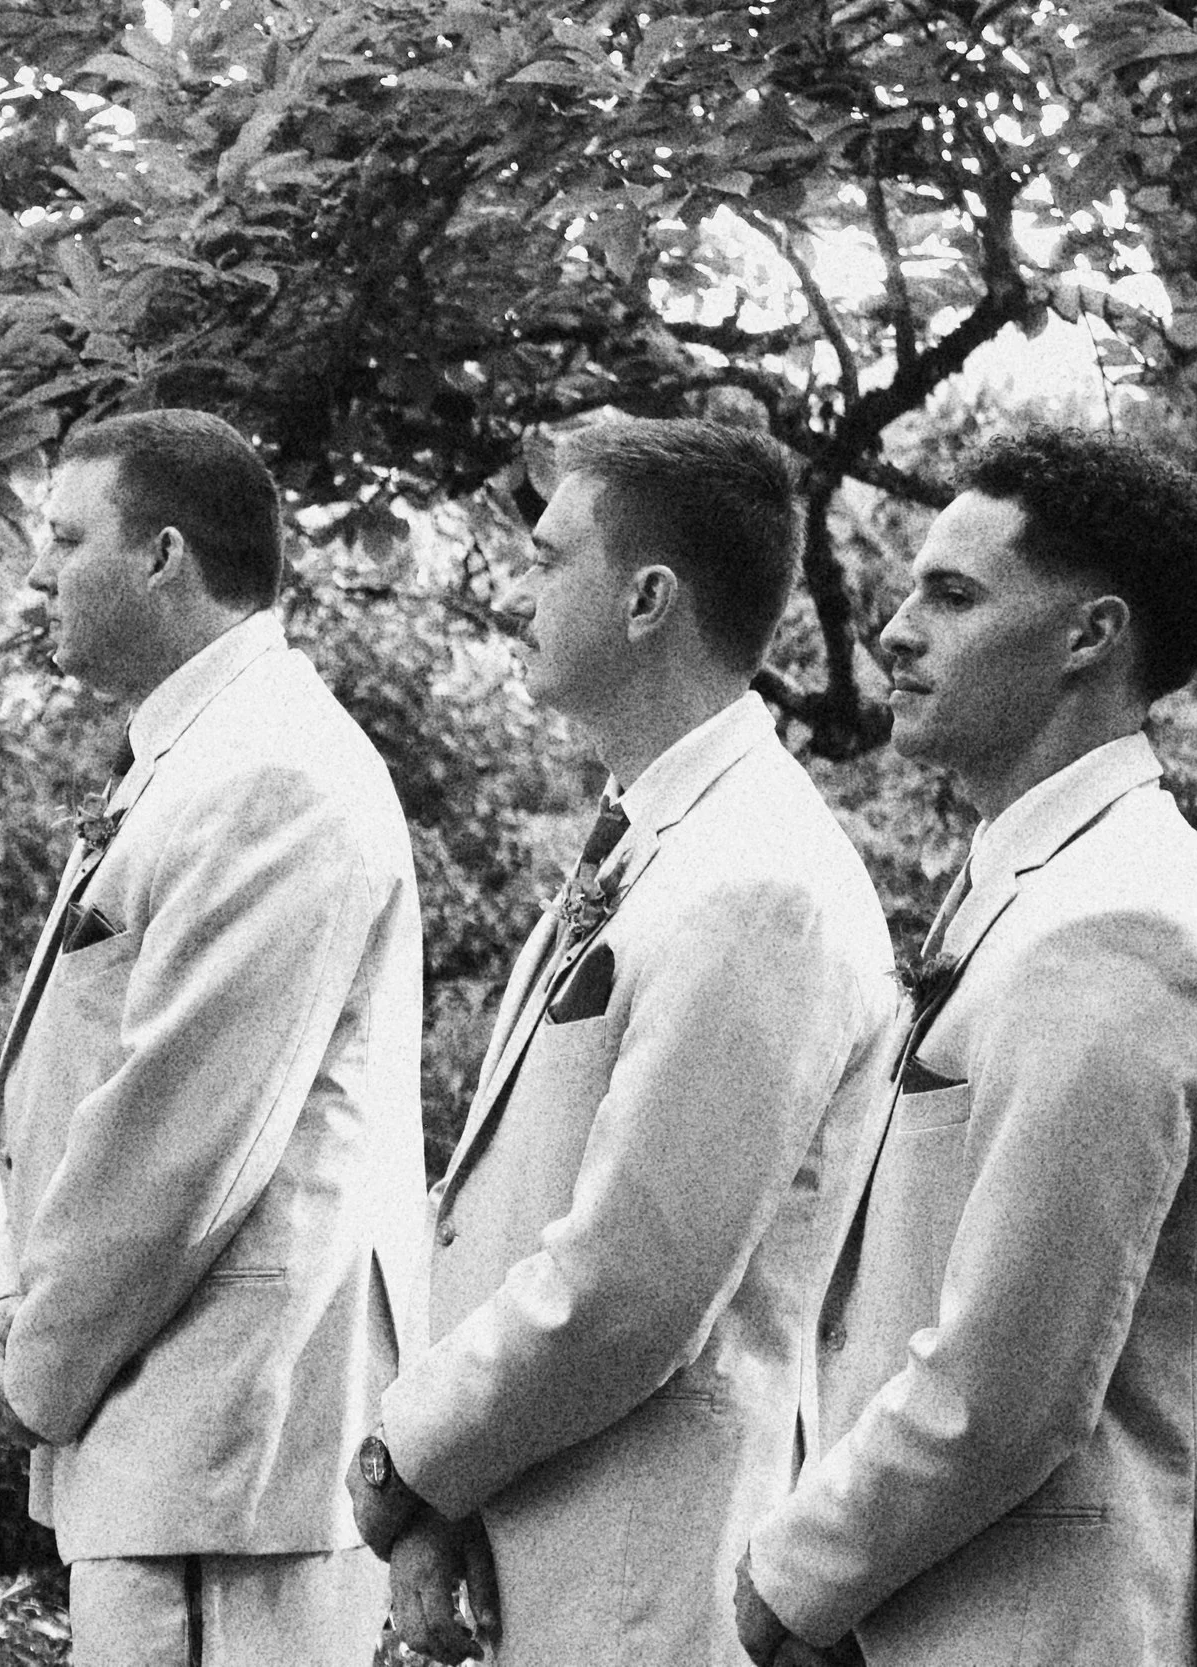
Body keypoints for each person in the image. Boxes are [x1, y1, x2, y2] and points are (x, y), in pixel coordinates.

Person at [738, 428, 1197, 1666]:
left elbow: (1007, 1384)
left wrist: (783, 1581)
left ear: (1089, 637)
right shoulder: (1041, 880)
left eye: (951, 593)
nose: (890, 629)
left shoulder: (1123, 921)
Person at [353, 419, 895, 1665]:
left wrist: (405, 1461)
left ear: (649, 597)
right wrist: (442, 1506)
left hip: (651, 1580)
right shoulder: (656, 833)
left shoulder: (759, 879)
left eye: (547, 560)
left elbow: (631, 1284)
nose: (513, 590)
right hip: (543, 1543)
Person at [0, 407, 428, 1667]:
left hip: (229, 1455)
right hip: (165, 1443)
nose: (37, 571)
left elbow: (178, 1139)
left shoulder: (272, 771)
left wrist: (38, 1362)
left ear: (163, 555)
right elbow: (62, 1082)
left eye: (66, 539)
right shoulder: (191, 757)